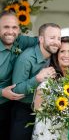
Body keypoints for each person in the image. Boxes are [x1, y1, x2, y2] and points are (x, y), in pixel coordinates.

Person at [10, 23, 61, 140]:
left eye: (58, 38)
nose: (56, 42)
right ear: (41, 39)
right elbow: (15, 90)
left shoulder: (53, 55)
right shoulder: (26, 59)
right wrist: (37, 79)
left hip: (43, 109)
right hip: (24, 110)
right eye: (52, 38)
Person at [0, 11, 38, 140]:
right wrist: (1, 92)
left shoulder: (20, 41)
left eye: (14, 27)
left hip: (10, 106)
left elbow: (43, 40)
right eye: (6, 27)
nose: (10, 31)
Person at [32, 36, 69, 140]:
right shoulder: (49, 75)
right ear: (56, 55)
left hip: (67, 132)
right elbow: (37, 108)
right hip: (47, 133)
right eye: (62, 51)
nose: (66, 55)